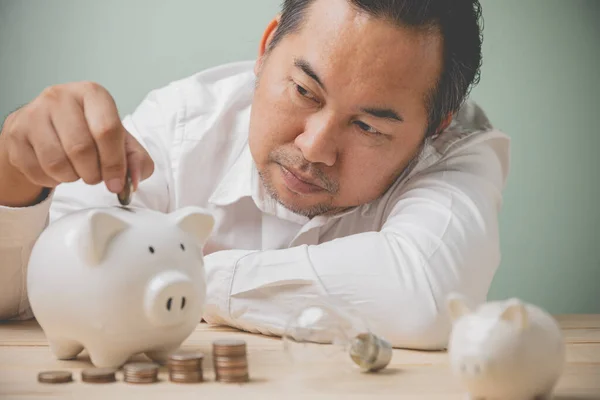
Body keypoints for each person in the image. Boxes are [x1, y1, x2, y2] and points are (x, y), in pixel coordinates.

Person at [0, 0, 509, 350]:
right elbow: (31, 290)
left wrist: (182, 276)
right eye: (305, 92)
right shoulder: (184, 123)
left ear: (435, 129)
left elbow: (428, 298)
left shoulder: (456, 150)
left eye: (368, 125)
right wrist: (13, 176)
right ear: (266, 50)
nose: (314, 148)